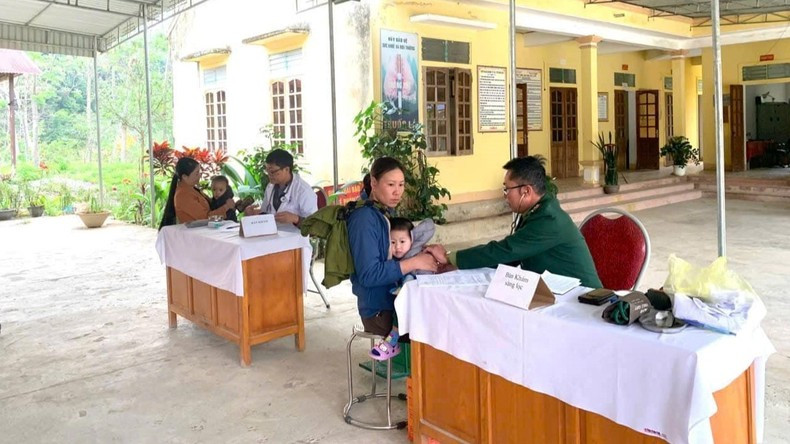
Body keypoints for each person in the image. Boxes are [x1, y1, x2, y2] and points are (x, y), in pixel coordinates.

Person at [425, 156, 602, 288]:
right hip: (555, 294)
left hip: (583, 300)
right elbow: (510, 256)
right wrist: (457, 266)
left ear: (526, 191)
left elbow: (506, 250)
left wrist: (450, 257)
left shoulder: (549, 219)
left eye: (507, 189)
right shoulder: (536, 211)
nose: (505, 195)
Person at [347, 157, 438, 361]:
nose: (397, 191)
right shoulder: (364, 219)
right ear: (373, 182)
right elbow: (369, 275)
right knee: (442, 323)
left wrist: (425, 252)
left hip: (393, 302)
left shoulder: (382, 212)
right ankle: (423, 388)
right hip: (379, 311)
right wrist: (413, 263)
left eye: (401, 185)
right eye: (390, 185)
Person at [245, 149, 316, 226]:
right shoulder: (270, 186)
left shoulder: (303, 190)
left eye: (272, 172)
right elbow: (266, 213)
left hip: (295, 236)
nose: (269, 175)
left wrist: (296, 219)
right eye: (267, 171)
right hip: (273, 234)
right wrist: (254, 215)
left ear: (286, 169)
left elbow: (315, 225)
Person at [159, 157, 235, 229]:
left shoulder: (192, 189)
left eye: (199, 172)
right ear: (185, 177)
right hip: (197, 233)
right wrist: (226, 207)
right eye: (196, 173)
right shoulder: (183, 195)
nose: (200, 175)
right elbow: (205, 218)